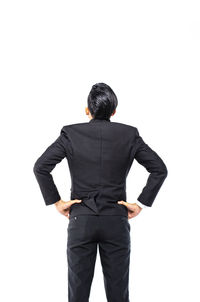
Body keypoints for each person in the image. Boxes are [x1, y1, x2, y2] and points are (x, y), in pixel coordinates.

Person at [33, 82, 168, 302]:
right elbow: (159, 169)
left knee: (77, 294)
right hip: (116, 219)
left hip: (81, 218)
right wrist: (140, 203)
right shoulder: (129, 134)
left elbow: (41, 167)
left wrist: (57, 202)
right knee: (118, 294)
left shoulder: (70, 134)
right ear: (114, 111)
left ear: (87, 110)